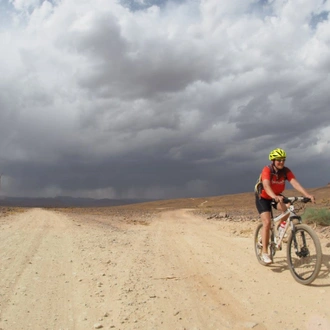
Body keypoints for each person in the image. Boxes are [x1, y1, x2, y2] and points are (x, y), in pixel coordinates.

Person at [255, 148, 315, 264]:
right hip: (263, 197)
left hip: (276, 196)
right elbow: (266, 185)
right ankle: (265, 252)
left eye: (283, 160)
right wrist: (274, 196)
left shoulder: (285, 171)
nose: (281, 162)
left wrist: (307, 195)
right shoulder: (267, 170)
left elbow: (294, 182)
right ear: (273, 160)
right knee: (267, 222)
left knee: (288, 209)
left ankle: (279, 228)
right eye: (278, 160)